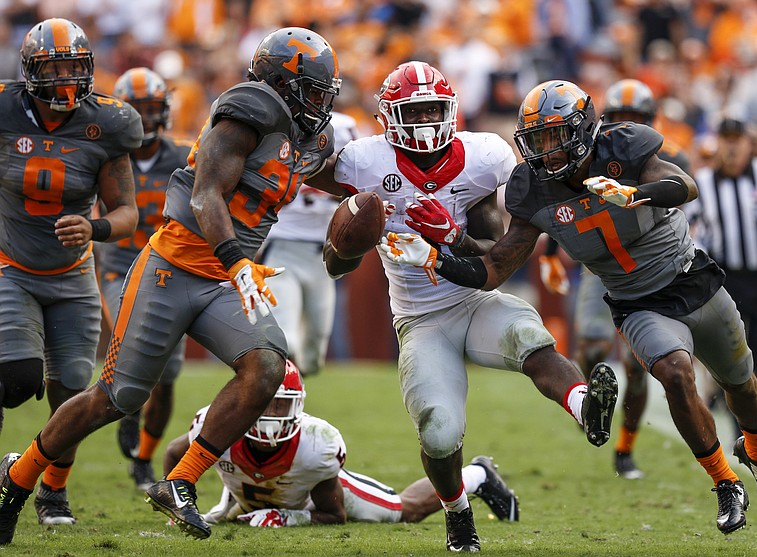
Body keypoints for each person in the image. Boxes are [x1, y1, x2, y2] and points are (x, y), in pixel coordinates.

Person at [381, 79, 757, 534]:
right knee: (675, 373)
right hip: (636, 302)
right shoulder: (532, 189)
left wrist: (634, 193)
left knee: (742, 384)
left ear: (583, 129)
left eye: (555, 136)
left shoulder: (624, 145)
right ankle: (725, 483)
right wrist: (438, 257)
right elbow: (494, 269)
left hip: (690, 277)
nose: (548, 151)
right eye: (537, 140)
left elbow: (684, 185)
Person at [0, 26, 341, 545]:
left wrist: (388, 206)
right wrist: (238, 263)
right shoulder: (248, 110)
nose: (321, 101)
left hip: (226, 281)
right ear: (281, 82)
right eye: (313, 88)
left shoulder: (311, 138)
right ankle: (19, 477)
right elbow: (206, 197)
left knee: (269, 365)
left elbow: (335, 179)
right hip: (173, 269)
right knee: (116, 397)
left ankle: (179, 482)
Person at [323, 62, 619, 552]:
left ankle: (588, 408)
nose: (423, 122)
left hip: (474, 298)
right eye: (413, 112)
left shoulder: (485, 157)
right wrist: (347, 247)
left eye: (432, 110)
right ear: (389, 116)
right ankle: (458, 513)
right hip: (420, 318)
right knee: (439, 431)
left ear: (452, 111)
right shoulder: (362, 162)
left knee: (530, 338)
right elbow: (334, 265)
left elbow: (492, 256)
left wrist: (449, 237)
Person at [0, 18, 141, 527]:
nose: (64, 77)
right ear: (30, 71)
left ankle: (52, 493)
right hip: (11, 265)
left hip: (73, 275)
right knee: (13, 377)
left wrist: (95, 226)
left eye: (73, 67)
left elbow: (127, 212)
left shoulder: (109, 122)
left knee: (74, 389)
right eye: (53, 66)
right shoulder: (4, 109)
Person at [538, 78, 693, 480]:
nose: (626, 126)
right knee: (590, 348)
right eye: (619, 118)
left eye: (634, 119)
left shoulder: (663, 154)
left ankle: (625, 449)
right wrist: (553, 254)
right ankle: (593, 410)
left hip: (643, 267)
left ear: (648, 122)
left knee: (637, 366)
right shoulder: (584, 154)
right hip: (599, 268)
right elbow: (562, 206)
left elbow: (680, 201)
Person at [164, 360, 520, 528]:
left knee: (402, 510)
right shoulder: (215, 426)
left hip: (309, 495)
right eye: (265, 404)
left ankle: (477, 474)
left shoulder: (316, 446)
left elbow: (335, 516)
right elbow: (174, 455)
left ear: (299, 406)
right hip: (261, 490)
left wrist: (284, 516)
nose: (271, 416)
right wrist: (182, 507)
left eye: (281, 405)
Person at [99, 67, 194, 491]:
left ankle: (145, 457)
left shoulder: (183, 157)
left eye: (154, 109)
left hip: (168, 268)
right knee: (134, 349)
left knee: (169, 372)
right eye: (139, 110)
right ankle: (130, 408)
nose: (148, 119)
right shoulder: (107, 157)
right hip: (120, 265)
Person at [686, 116, 757, 438]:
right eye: (726, 139)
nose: (732, 146)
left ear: (750, 144)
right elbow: (684, 223)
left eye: (738, 139)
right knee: (732, 352)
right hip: (726, 278)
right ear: (718, 144)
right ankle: (741, 419)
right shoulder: (704, 182)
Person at [257, 112, 358, 377]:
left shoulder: (345, 126)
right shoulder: (279, 124)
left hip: (321, 256)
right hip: (282, 248)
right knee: (285, 339)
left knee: (312, 358)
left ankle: (294, 397)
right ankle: (280, 407)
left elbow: (359, 189)